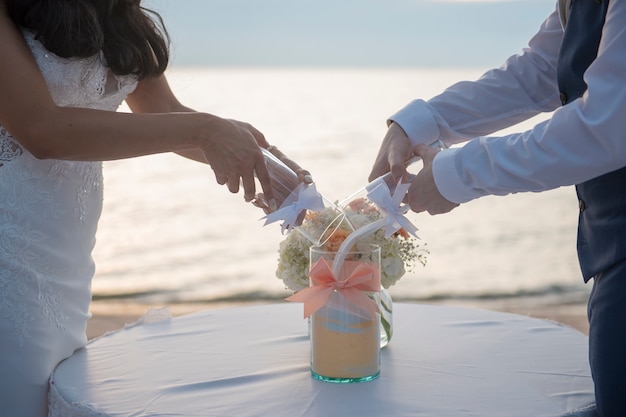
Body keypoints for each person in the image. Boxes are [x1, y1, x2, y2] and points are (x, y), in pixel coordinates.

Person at [0, 1, 308, 415]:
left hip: (67, 261)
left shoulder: (120, 15)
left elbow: (162, 113)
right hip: (10, 250)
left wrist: (262, 164)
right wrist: (207, 129)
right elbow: (42, 129)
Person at [369, 0, 625, 416]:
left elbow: (606, 127)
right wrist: (418, 122)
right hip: (610, 248)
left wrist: (456, 174)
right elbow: (539, 70)